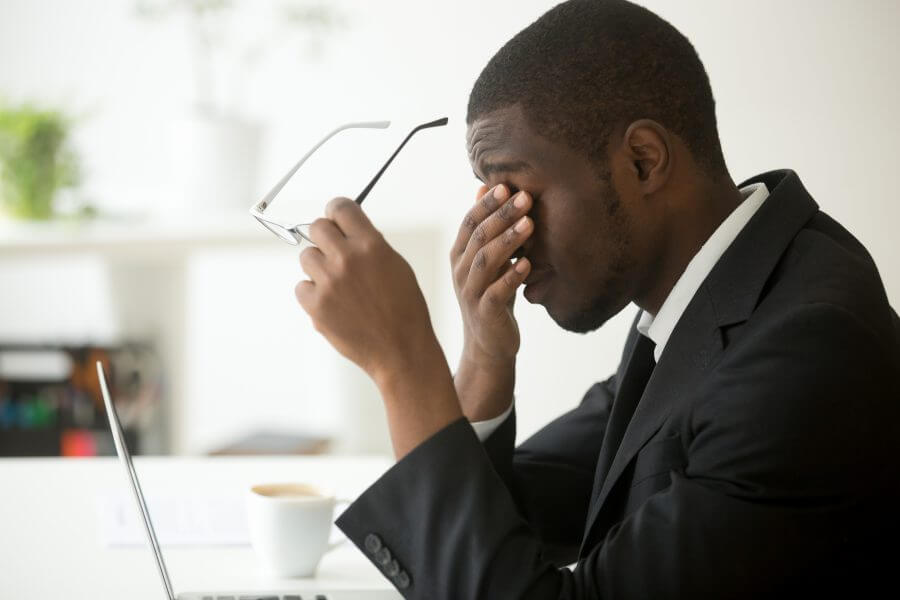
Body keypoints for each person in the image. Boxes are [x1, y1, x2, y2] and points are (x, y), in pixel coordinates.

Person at [292, 0, 900, 597]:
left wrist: (404, 365)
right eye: (492, 199)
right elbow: (516, 521)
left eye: (518, 192)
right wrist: (482, 357)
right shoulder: (710, 296)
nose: (505, 236)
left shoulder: (807, 352)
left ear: (643, 161)